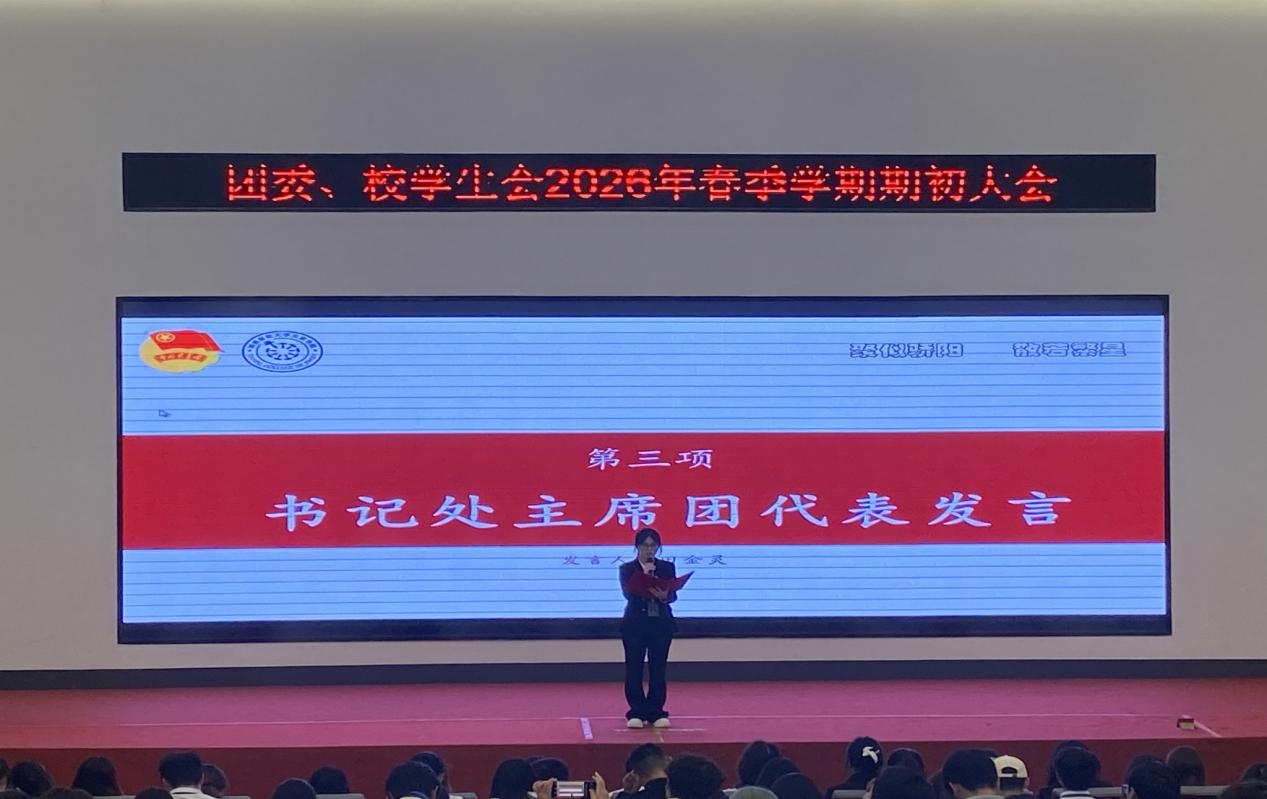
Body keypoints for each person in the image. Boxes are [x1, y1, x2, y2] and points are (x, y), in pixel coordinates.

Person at [620, 528, 678, 729]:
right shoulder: (627, 569)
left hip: (660, 624)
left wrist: (665, 596)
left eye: (653, 545)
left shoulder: (667, 567)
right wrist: (644, 577)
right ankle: (636, 711)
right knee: (634, 667)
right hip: (635, 624)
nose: (649, 549)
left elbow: (673, 595)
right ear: (637, 547)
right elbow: (628, 595)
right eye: (645, 545)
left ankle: (656, 711)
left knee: (658, 668)